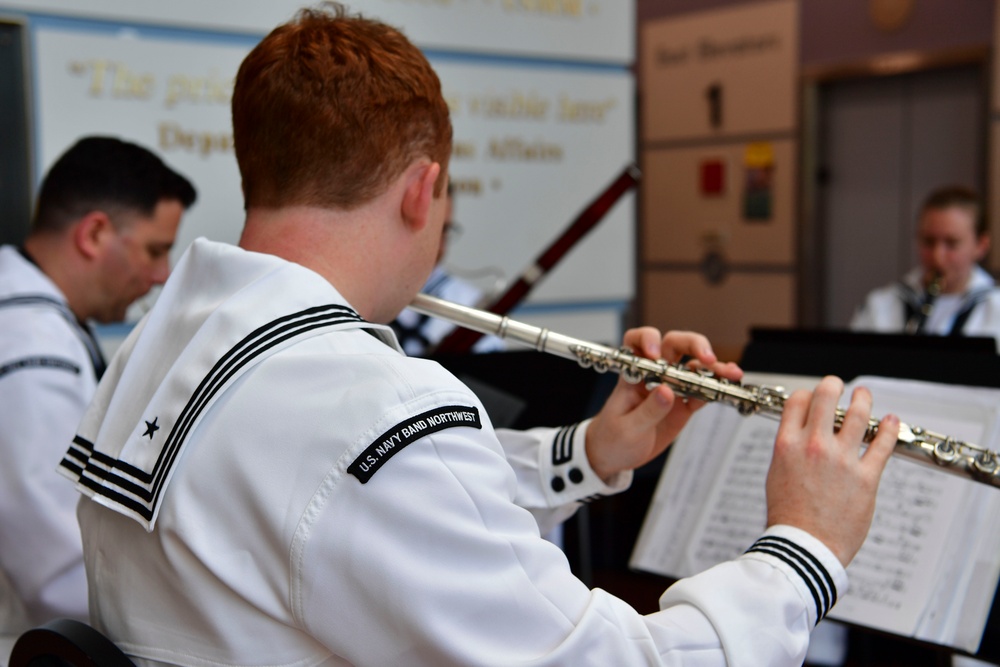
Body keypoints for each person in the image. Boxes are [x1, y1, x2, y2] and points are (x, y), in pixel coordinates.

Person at [58, 5, 898, 666]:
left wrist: (591, 449)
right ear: (425, 191)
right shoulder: (367, 403)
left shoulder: (160, 345)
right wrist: (804, 544)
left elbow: (340, 507)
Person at [0, 136, 196, 638]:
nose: (161, 276)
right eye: (155, 250)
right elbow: (54, 562)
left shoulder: (27, 316)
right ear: (94, 234)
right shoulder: (31, 348)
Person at [851, 185, 1000, 346]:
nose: (937, 257)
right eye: (928, 242)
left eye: (951, 243)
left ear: (981, 245)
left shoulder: (995, 308)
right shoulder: (880, 306)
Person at [390, 181, 504, 356]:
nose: (435, 244)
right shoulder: (363, 295)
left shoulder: (470, 303)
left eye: (444, 230)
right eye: (428, 228)